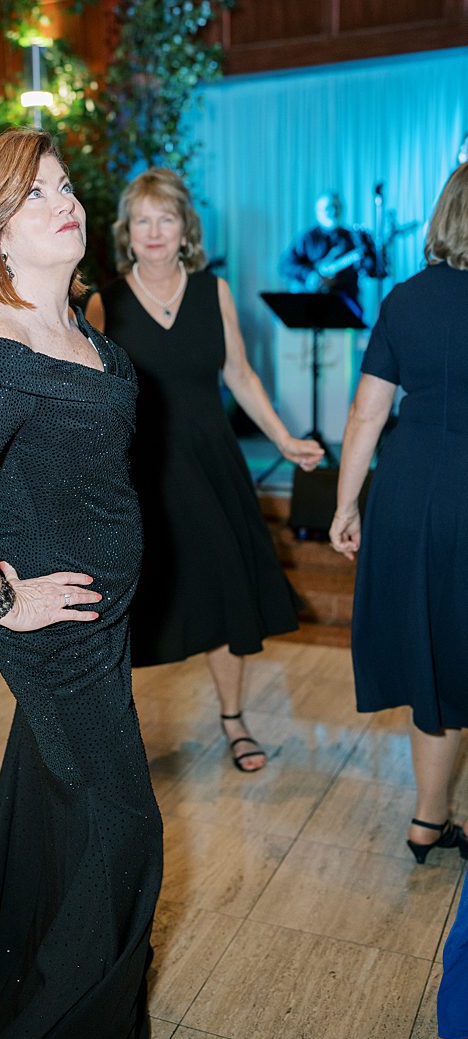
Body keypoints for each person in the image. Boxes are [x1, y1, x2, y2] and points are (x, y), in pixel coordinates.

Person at [0, 127, 161, 1039]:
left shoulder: (78, 329)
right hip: (56, 634)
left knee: (51, 806)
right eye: (34, 195)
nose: (65, 202)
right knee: (120, 833)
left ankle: (7, 971)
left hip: (104, 617)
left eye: (64, 185)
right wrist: (6, 602)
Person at [86, 169, 322, 773]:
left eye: (166, 218)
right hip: (140, 473)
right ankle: (116, 735)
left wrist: (285, 438)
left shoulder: (211, 290)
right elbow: (88, 392)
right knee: (134, 603)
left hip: (212, 463)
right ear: (127, 233)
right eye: (143, 220)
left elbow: (239, 375)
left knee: (223, 590)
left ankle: (233, 718)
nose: (155, 231)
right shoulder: (104, 302)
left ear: (185, 228)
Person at [330, 162, 468, 866]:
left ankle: (426, 820)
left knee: (434, 659)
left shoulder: (404, 300)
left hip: (411, 489)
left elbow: (367, 413)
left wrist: (346, 503)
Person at [281, 191, 385, 313]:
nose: (333, 211)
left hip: (345, 306)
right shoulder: (308, 238)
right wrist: (309, 275)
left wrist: (373, 252)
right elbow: (285, 265)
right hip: (312, 305)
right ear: (318, 212)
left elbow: (372, 271)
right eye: (327, 208)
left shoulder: (353, 237)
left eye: (336, 207)